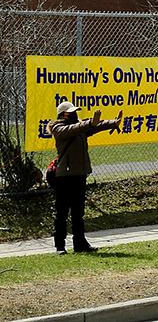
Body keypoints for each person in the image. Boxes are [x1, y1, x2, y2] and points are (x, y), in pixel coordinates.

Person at [49, 101, 121, 254]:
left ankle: (80, 244)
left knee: (78, 212)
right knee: (62, 212)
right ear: (63, 114)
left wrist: (113, 123)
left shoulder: (80, 127)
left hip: (79, 175)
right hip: (64, 177)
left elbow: (96, 126)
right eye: (71, 112)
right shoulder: (58, 128)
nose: (75, 114)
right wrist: (90, 122)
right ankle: (59, 245)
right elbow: (74, 129)